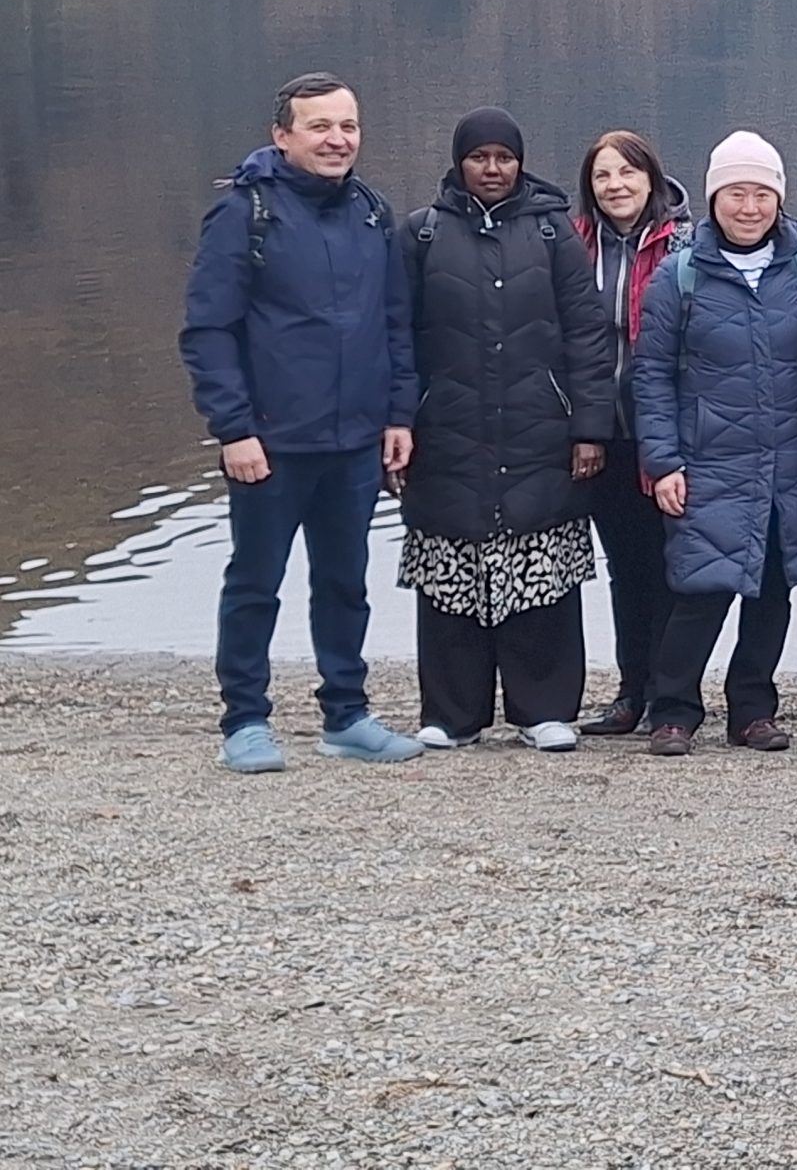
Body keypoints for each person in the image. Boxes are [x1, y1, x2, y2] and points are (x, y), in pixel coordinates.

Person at [179, 72, 425, 770]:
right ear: (282, 135)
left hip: (355, 440)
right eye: (320, 126)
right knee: (256, 581)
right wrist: (233, 429)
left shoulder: (373, 212)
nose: (337, 139)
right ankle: (245, 722)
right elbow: (207, 331)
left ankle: (346, 714)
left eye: (347, 126)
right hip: (270, 440)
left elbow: (394, 323)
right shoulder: (244, 215)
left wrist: (397, 414)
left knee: (345, 582)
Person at [398, 108, 617, 752]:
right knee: (450, 572)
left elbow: (587, 335)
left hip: (540, 428)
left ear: (520, 162)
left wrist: (590, 428)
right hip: (447, 427)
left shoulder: (554, 233)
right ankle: (451, 713)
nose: (492, 169)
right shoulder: (423, 235)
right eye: (479, 158)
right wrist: (398, 424)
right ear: (459, 162)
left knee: (540, 569)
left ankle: (543, 707)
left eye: (504, 158)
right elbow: (399, 339)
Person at [631, 131, 797, 756]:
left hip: (787, 462)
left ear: (778, 199)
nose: (748, 208)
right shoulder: (681, 275)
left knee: (773, 589)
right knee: (700, 590)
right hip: (707, 460)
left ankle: (753, 709)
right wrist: (662, 460)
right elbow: (652, 374)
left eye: (761, 195)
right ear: (713, 197)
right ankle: (673, 711)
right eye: (735, 194)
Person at [570, 131, 692, 736]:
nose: (615, 185)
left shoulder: (683, 245)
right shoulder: (573, 244)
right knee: (625, 565)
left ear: (652, 178)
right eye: (602, 176)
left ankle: (672, 694)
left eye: (627, 173)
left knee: (671, 562)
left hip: (665, 431)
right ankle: (630, 691)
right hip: (600, 433)